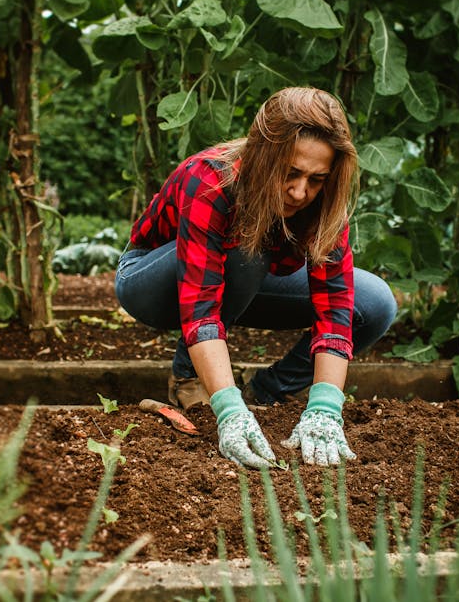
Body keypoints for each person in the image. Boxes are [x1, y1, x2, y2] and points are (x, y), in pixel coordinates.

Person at [115, 86, 397, 469]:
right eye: (291, 173)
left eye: (316, 179)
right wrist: (228, 411)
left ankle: (265, 391)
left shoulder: (324, 201)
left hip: (244, 274)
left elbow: (334, 308)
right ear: (265, 156)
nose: (300, 192)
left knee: (375, 305)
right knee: (248, 250)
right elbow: (200, 306)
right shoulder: (212, 180)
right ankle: (188, 378)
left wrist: (327, 408)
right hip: (153, 280)